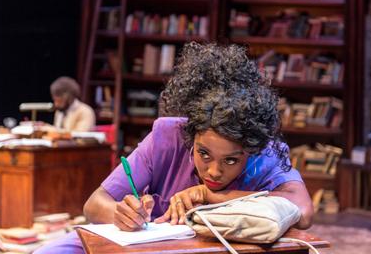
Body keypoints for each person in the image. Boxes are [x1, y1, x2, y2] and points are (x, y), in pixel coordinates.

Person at [35, 43, 313, 253]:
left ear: (250, 150)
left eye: (230, 161)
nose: (214, 171)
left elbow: (303, 211)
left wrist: (208, 194)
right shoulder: (167, 135)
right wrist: (122, 214)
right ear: (190, 136)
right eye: (203, 154)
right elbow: (94, 204)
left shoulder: (264, 149)